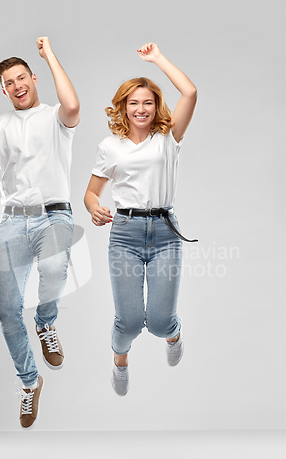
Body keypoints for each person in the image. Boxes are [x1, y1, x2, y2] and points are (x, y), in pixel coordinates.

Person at [0, 37, 80, 427]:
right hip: (13, 220)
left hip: (54, 215)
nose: (16, 86)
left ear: (33, 78)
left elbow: (74, 106)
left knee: (53, 270)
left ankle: (46, 321)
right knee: (6, 311)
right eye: (7, 82)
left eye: (21, 77)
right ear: (4, 89)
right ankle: (30, 382)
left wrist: (49, 55)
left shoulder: (54, 117)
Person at [84, 42, 197, 396]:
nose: (141, 108)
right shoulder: (110, 146)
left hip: (165, 232)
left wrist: (157, 59)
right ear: (123, 107)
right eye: (134, 102)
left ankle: (174, 334)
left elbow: (190, 92)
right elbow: (91, 192)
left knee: (161, 323)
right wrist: (92, 207)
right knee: (129, 322)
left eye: (148, 102)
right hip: (125, 235)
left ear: (156, 105)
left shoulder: (168, 137)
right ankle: (120, 359)